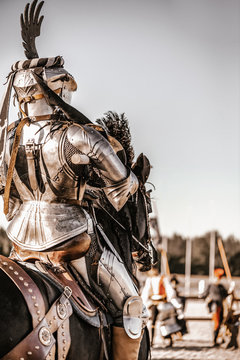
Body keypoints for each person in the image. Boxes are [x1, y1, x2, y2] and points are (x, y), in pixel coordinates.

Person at [0, 1, 150, 359]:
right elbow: (123, 188)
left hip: (20, 239)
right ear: (59, 90)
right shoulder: (81, 136)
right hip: (70, 239)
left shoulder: (7, 137)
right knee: (130, 305)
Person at [201, 268, 229, 346]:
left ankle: (218, 338)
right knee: (216, 323)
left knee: (220, 322)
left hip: (221, 306)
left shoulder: (221, 286)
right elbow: (204, 294)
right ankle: (215, 340)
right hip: (214, 306)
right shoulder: (210, 285)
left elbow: (225, 294)